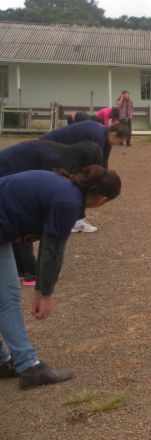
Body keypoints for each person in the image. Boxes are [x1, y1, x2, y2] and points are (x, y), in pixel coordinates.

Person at [0, 166, 121, 390]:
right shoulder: (67, 202)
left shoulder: (65, 186)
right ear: (102, 199)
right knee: (7, 299)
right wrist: (44, 293)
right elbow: (52, 250)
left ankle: (5, 361)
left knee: (6, 295)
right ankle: (29, 367)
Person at [0, 140, 103, 288]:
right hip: (6, 171)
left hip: (15, 172)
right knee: (19, 216)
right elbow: (32, 218)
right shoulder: (55, 163)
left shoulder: (64, 156)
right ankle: (30, 270)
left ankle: (23, 269)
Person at [43, 120, 127, 170]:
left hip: (61, 146)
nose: (119, 145)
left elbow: (104, 163)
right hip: (50, 143)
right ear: (114, 135)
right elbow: (93, 166)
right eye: (120, 142)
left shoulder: (106, 134)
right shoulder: (99, 138)